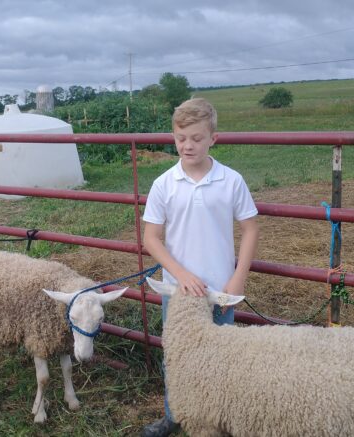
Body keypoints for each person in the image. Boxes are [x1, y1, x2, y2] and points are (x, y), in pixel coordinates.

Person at [141, 98, 259, 437]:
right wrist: (181, 275)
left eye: (195, 137)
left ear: (213, 138)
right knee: (177, 354)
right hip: (178, 293)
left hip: (221, 290)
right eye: (180, 138)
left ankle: (220, 419)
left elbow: (251, 228)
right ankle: (173, 414)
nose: (187, 145)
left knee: (221, 355)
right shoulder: (164, 183)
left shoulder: (231, 181)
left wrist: (237, 278)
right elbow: (152, 238)